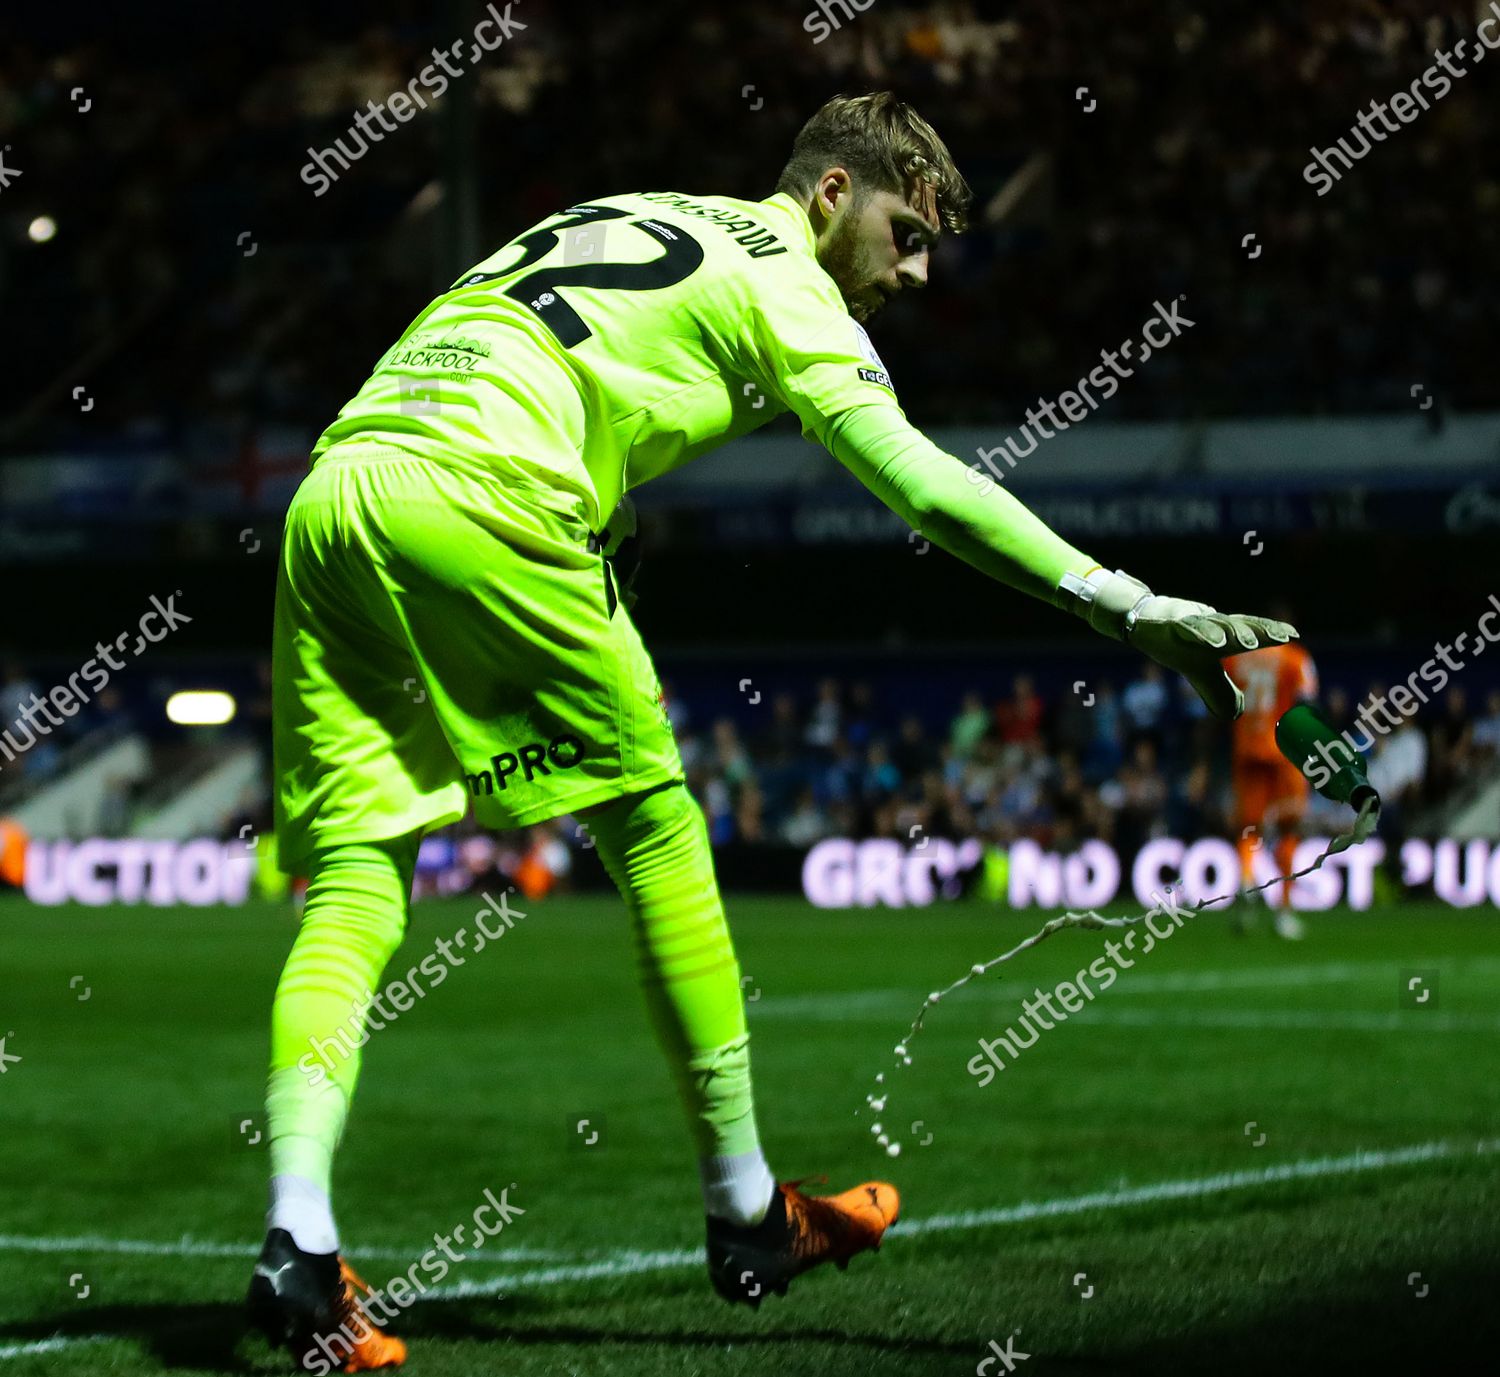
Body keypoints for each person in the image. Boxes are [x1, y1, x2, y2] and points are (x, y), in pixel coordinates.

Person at [254, 91, 1295, 1369]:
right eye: (906, 235)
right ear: (831, 196)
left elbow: (554, 361)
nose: (912, 274)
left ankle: (297, 1240)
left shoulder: (623, 209)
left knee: (359, 877)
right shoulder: (784, 276)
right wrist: (1128, 604)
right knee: (653, 825)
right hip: (488, 494)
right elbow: (923, 485)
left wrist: (604, 517)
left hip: (340, 491)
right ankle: (748, 1211)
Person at [1225, 635, 1318, 938]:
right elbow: (1306, 702)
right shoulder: (1295, 657)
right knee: (1290, 829)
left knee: (1249, 828)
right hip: (1283, 751)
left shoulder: (1235, 659)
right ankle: (1285, 912)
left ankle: (1248, 876)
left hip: (1247, 747)